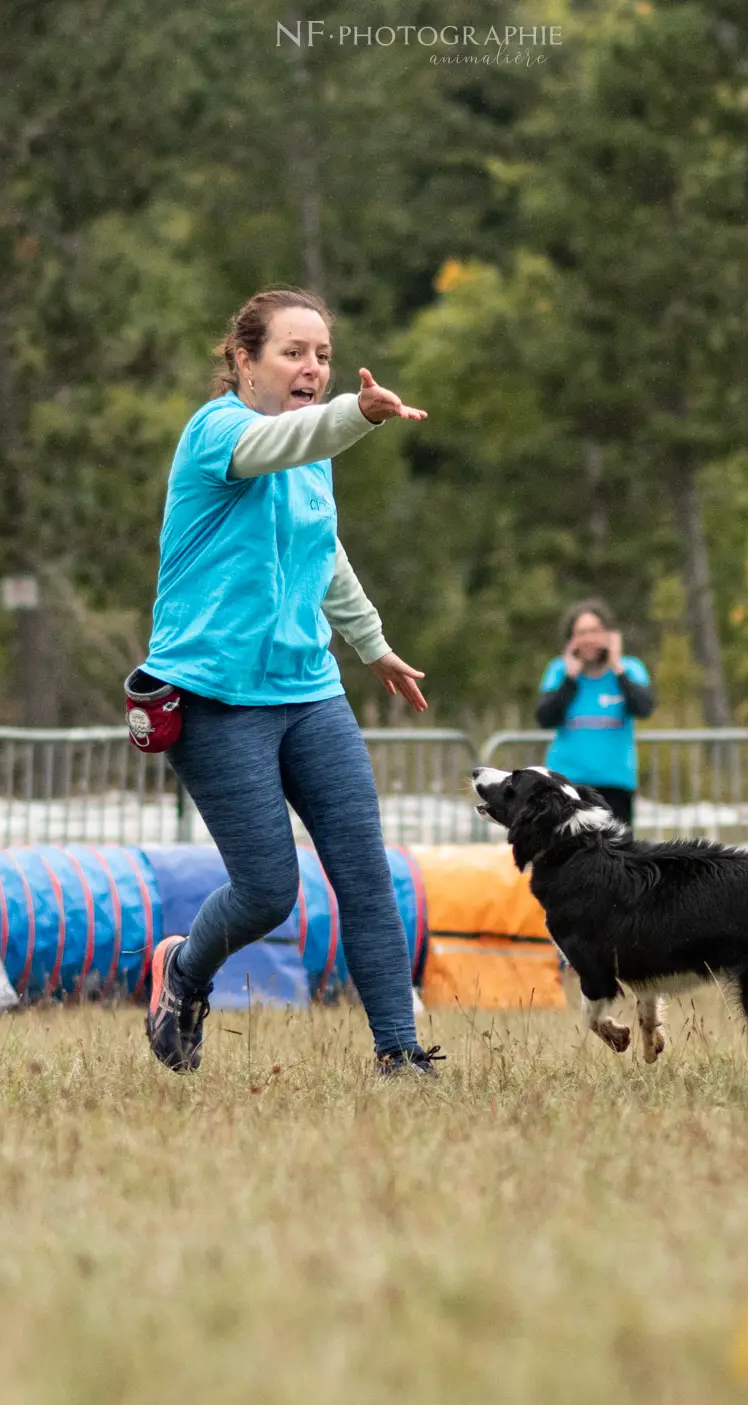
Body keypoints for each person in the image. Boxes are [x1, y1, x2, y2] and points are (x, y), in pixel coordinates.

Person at [131, 288, 442, 1078]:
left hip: (309, 691)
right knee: (268, 890)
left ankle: (400, 1055)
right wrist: (359, 413)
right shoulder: (217, 434)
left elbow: (323, 550)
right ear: (242, 360)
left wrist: (372, 645)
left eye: (324, 355)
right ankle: (184, 972)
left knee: (366, 875)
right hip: (214, 697)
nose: (312, 367)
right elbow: (294, 439)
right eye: (293, 353)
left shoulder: (310, 459)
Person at [534, 600, 655, 829]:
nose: (588, 639)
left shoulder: (630, 669)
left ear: (609, 635)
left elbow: (643, 707)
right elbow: (545, 718)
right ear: (571, 640)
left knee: (615, 859)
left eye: (594, 631)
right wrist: (570, 680)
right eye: (581, 633)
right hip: (567, 783)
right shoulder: (559, 670)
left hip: (614, 784)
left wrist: (617, 668)